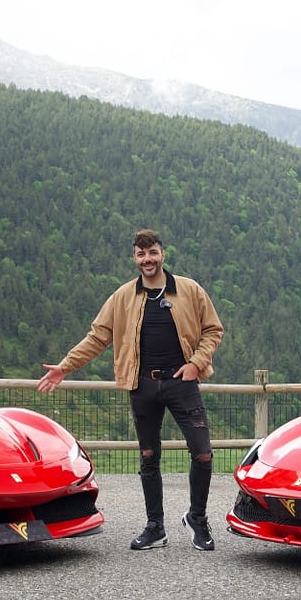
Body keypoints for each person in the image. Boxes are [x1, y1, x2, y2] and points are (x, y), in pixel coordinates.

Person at [38, 230, 225, 551]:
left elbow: (213, 330)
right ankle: (155, 527)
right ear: (134, 258)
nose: (147, 259)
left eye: (152, 253)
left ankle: (197, 518)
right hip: (142, 384)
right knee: (148, 456)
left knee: (203, 453)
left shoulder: (190, 290)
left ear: (162, 254)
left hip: (183, 382)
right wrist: (65, 366)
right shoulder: (122, 296)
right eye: (141, 254)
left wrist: (196, 363)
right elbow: (97, 337)